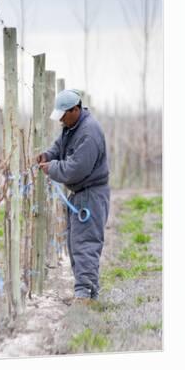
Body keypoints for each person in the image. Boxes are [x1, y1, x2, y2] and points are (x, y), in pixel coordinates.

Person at [36, 89, 110, 305]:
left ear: (75, 109)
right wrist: (48, 155)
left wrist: (52, 167)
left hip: (91, 195)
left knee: (85, 244)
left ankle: (85, 295)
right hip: (82, 194)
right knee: (75, 243)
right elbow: (60, 146)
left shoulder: (89, 133)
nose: (60, 120)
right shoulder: (72, 127)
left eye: (63, 115)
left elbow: (75, 169)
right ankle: (85, 293)